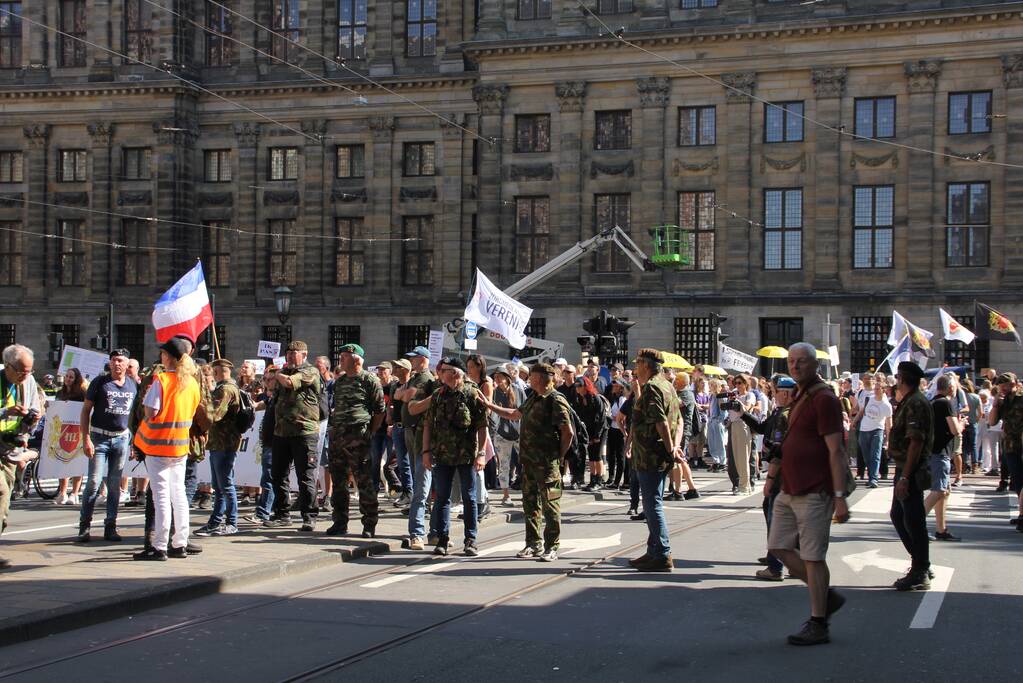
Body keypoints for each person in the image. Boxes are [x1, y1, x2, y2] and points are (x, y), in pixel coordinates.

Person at [767, 343, 847, 646]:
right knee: (777, 546)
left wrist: (839, 495)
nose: (795, 366)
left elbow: (836, 450)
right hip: (790, 486)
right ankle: (825, 596)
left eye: (802, 361)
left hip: (815, 489)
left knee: (813, 557)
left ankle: (818, 621)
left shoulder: (824, 398)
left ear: (815, 365)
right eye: (791, 361)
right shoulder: (801, 395)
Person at [482, 363, 573, 561]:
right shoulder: (533, 397)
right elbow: (515, 414)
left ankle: (552, 546)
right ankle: (533, 544)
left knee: (551, 506)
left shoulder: (555, 400)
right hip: (529, 463)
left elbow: (568, 432)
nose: (528, 379)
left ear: (540, 378)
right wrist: (490, 406)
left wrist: (558, 455)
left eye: (531, 376)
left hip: (547, 464)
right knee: (530, 504)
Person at [132, 337, 202, 561]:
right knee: (178, 493)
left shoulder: (161, 380)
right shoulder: (191, 382)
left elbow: (151, 412)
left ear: (168, 357)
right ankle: (179, 543)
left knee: (161, 496)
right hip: (180, 445)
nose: (161, 357)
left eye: (163, 353)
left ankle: (159, 546)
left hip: (158, 444)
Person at [420, 357, 488, 557]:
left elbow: (482, 426)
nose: (440, 374)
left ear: (456, 373)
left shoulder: (472, 393)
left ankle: (470, 540)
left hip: (466, 455)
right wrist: (425, 452)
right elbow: (428, 425)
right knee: (442, 498)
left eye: (444, 371)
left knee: (469, 498)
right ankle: (442, 539)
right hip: (442, 455)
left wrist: (482, 454)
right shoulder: (438, 395)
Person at [626, 349, 683, 572]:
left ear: (647, 366)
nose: (635, 368)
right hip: (657, 453)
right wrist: (675, 447)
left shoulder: (652, 387)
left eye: (638, 364)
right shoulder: (667, 384)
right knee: (653, 501)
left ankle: (662, 553)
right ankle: (653, 551)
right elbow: (678, 421)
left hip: (650, 454)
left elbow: (661, 422)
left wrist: (670, 449)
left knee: (652, 504)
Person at [76, 348, 138, 543]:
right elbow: (86, 410)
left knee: (114, 485)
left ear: (128, 364)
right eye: (114, 360)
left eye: (120, 360)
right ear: (109, 363)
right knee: (94, 482)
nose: (117, 364)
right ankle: (84, 526)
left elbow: (135, 416)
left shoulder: (133, 385)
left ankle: (110, 526)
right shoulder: (100, 382)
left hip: (121, 438)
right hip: (99, 437)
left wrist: (134, 441)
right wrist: (85, 438)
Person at [326, 343, 385, 538]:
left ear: (356, 359)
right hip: (338, 437)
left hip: (358, 436)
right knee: (339, 481)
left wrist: (371, 432)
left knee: (363, 480)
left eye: (344, 356)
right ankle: (340, 522)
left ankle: (369, 523)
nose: (340, 359)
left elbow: (379, 410)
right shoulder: (340, 381)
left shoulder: (369, 380)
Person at [742, 374, 796, 581]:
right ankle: (789, 560)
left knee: (777, 519)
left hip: (782, 475)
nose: (773, 395)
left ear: (784, 393)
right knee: (781, 516)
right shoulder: (784, 411)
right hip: (790, 475)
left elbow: (778, 451)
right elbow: (764, 428)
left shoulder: (785, 415)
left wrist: (770, 480)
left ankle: (776, 566)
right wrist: (743, 414)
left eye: (774, 391)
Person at [265, 341, 322, 532]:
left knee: (305, 475)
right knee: (278, 474)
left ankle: (309, 516)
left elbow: (290, 383)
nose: (290, 356)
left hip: (304, 432)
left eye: (294, 353)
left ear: (304, 355)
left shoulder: (310, 371)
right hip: (282, 432)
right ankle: (282, 514)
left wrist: (275, 374)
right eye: (288, 353)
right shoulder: (284, 373)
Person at [887, 361, 935, 590]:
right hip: (904, 466)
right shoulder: (909, 401)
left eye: (897, 378)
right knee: (898, 515)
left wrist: (905, 477)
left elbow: (916, 441)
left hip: (911, 468)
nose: (896, 382)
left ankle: (920, 570)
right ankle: (920, 562)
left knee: (914, 520)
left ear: (902, 379)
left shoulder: (916, 402)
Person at [0, 344, 42, 569]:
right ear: (8, 366)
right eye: (21, 371)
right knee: (1, 491)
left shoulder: (28, 384)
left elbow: (35, 414)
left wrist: (31, 421)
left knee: (3, 507)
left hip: (11, 451)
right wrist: (6, 412)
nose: (25, 376)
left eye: (29, 371)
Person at [396, 346, 438, 550]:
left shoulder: (424, 378)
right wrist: (404, 394)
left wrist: (404, 394)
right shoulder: (414, 377)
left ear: (423, 359)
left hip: (422, 436)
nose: (411, 361)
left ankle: (418, 533)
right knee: (421, 485)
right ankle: (431, 531)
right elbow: (400, 394)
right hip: (412, 433)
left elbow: (407, 396)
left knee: (421, 488)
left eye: (414, 358)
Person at [195, 358, 243, 537]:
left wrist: (199, 406)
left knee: (226, 485)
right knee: (219, 485)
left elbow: (215, 414)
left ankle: (232, 522)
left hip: (225, 442)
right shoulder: (225, 388)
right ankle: (215, 521)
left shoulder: (226, 390)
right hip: (219, 442)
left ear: (217, 372)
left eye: (213, 372)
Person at [924, 374, 964, 542]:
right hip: (939, 452)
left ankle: (941, 529)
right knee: (939, 490)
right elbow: (955, 429)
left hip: (935, 451)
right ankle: (915, 523)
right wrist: (962, 424)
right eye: (955, 387)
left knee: (944, 492)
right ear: (950, 388)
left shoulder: (932, 402)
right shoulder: (945, 403)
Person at [988, 372, 1023, 531]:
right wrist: (995, 404)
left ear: (1015, 384)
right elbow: (992, 421)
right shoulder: (1003, 401)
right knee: (1017, 480)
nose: (1003, 388)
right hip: (1010, 445)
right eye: (1001, 385)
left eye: (1006, 385)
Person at [491, 366, 523, 507]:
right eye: (495, 377)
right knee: (504, 465)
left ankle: (527, 493)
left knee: (526, 463)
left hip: (519, 431)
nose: (497, 379)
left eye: (500, 376)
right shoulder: (493, 393)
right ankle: (506, 495)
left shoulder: (518, 391)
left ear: (507, 378)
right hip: (501, 433)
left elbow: (525, 409)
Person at [55, 369, 87, 505]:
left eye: (71, 377)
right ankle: (62, 492)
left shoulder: (81, 394)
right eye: (67, 376)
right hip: (62, 429)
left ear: (76, 379)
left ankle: (74, 493)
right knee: (62, 460)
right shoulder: (60, 393)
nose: (68, 379)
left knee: (76, 460)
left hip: (77, 429)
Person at [856, 373, 893, 489]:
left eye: (878, 389)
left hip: (877, 430)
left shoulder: (887, 405)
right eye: (875, 389)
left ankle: (873, 479)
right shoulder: (869, 399)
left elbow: (889, 424)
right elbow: (862, 411)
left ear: (883, 390)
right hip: (864, 429)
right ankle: (871, 474)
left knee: (875, 455)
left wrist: (888, 440)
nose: (876, 391)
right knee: (866, 456)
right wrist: (854, 421)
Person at [574, 376, 610, 492]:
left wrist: (597, 436)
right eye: (576, 385)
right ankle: (592, 479)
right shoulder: (579, 399)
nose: (577, 388)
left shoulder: (595, 398)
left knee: (597, 455)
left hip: (600, 429)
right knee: (591, 455)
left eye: (579, 385)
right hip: (588, 430)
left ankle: (599, 480)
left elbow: (601, 418)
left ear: (585, 386)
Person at [389, 358, 414, 507]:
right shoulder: (394, 386)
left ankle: (414, 495)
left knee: (412, 462)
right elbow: (392, 403)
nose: (395, 369)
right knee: (402, 463)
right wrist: (389, 419)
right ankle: (407, 493)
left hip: (410, 427)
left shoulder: (412, 384)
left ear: (405, 369)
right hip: (397, 426)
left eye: (397, 367)